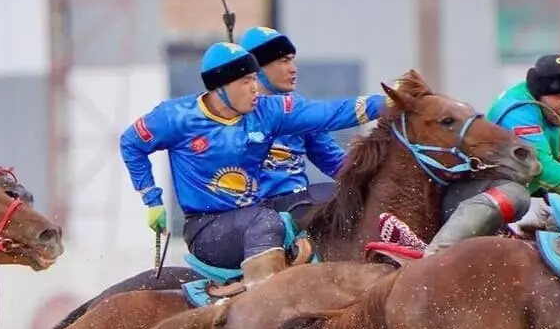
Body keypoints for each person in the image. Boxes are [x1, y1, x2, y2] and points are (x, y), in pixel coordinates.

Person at [120, 42, 385, 286]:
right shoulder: (175, 116)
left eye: (255, 79)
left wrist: (387, 102)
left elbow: (330, 113)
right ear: (221, 87)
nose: (255, 88)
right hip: (207, 229)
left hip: (255, 214)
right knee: (266, 222)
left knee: (342, 197)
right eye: (246, 81)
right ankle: (267, 308)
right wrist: (152, 200)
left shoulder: (267, 111)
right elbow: (131, 143)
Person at [423, 53, 560, 255]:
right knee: (516, 194)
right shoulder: (517, 112)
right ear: (538, 93)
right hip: (462, 199)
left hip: (495, 208)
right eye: (559, 97)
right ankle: (435, 254)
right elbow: (543, 171)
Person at [237, 26, 346, 226]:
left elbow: (334, 161)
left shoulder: (298, 110)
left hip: (296, 203)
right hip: (250, 214)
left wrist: (376, 178)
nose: (294, 69)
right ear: (258, 68)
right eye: (284, 61)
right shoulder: (231, 111)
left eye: (293, 60)